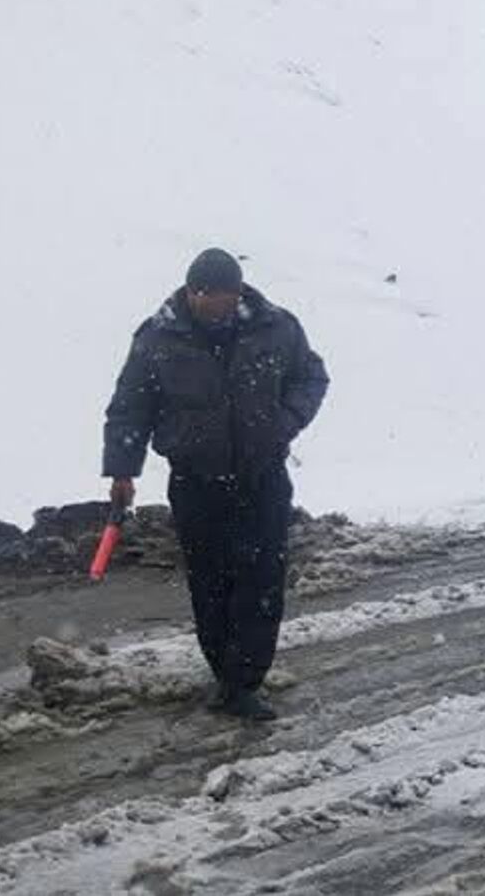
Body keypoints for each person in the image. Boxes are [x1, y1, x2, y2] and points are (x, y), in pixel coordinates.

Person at [102, 248, 329, 721]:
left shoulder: (276, 327)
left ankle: (244, 681)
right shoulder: (159, 339)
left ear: (237, 293)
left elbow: (311, 376)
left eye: (218, 296)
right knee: (210, 582)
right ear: (189, 291)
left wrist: (284, 421)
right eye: (199, 294)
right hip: (196, 481)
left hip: (262, 476)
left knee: (261, 579)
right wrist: (123, 471)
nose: (208, 303)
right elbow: (130, 406)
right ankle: (223, 669)